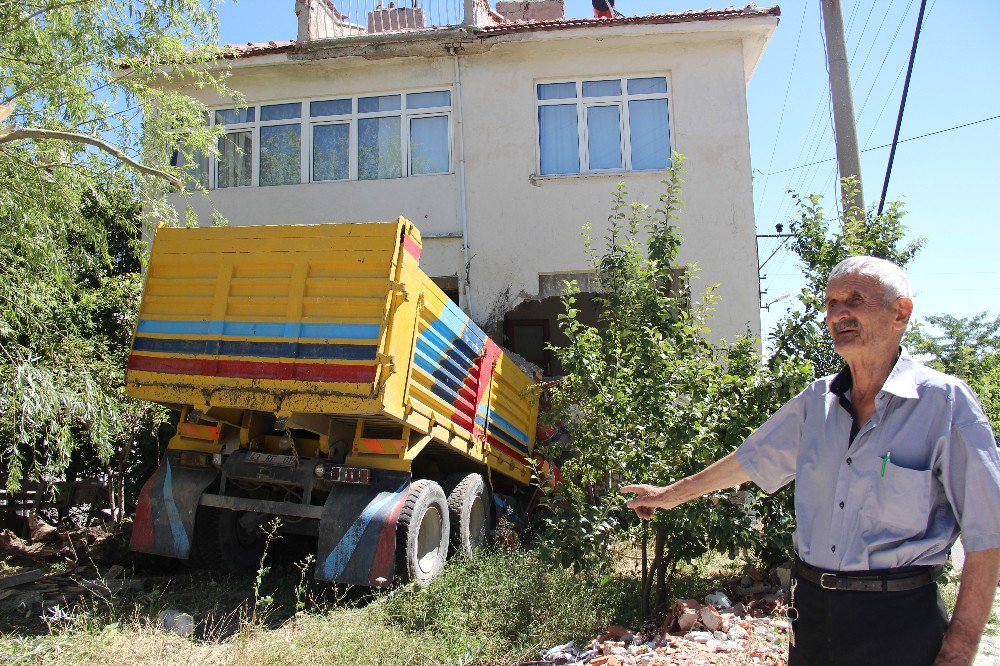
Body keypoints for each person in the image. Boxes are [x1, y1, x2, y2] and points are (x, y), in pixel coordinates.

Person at [622, 256, 1000, 666]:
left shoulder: (944, 403)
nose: (839, 313)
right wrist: (670, 495)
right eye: (831, 303)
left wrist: (960, 649)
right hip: (814, 618)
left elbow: (988, 535)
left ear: (900, 312)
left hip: (900, 623)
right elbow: (749, 461)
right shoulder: (816, 401)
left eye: (854, 299)